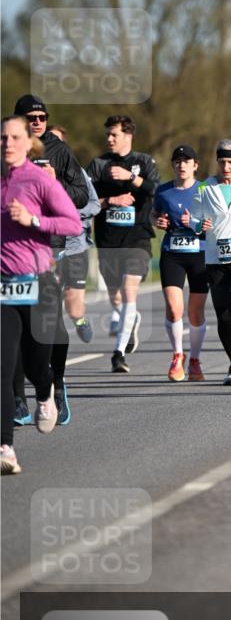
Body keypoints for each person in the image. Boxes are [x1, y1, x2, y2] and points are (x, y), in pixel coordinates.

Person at [1, 116, 81, 474]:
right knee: (3, 369)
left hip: (38, 282)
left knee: (36, 366)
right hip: (2, 285)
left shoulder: (38, 180)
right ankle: (6, 448)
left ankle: (46, 394)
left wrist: (34, 220)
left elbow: (72, 223)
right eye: (2, 137)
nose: (7, 143)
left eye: (14, 137)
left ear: (27, 143)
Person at [12, 95, 89, 426]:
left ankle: (56, 383)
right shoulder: (7, 152)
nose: (39, 121)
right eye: (32, 117)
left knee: (51, 327)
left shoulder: (57, 150)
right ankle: (16, 400)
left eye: (43, 116)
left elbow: (82, 194)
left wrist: (55, 184)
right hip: (11, 250)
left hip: (51, 248)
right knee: (12, 328)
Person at [87, 115, 160, 373]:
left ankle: (118, 354)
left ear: (128, 135)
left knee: (130, 292)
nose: (109, 139)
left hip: (137, 237)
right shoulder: (97, 165)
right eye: (108, 134)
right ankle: (132, 318)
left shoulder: (144, 161)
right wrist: (110, 202)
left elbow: (154, 190)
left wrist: (131, 177)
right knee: (115, 295)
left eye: (114, 134)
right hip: (107, 241)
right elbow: (84, 200)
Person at [189, 140, 231, 385]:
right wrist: (199, 225)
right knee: (224, 314)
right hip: (216, 259)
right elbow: (194, 218)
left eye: (230, 162)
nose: (226, 167)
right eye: (222, 162)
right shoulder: (205, 187)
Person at [152, 145, 208, 382]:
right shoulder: (163, 191)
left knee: (195, 313)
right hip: (172, 253)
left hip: (200, 254)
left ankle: (194, 359)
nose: (182, 165)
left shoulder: (206, 190)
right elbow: (154, 215)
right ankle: (177, 355)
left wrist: (194, 221)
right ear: (173, 165)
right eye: (177, 161)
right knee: (175, 309)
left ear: (195, 165)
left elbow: (214, 221)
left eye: (187, 161)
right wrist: (158, 221)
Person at [48, 126, 100, 345]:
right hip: (46, 246)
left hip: (75, 246)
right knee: (47, 305)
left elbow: (94, 205)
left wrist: (68, 213)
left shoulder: (78, 174)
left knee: (73, 304)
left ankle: (79, 320)